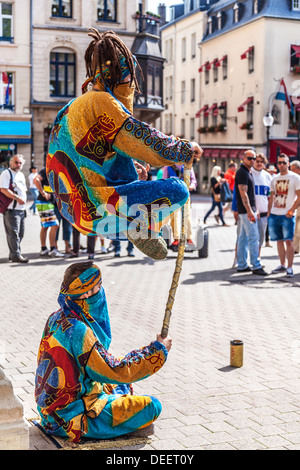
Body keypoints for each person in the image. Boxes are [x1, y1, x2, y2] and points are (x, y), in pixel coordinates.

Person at [46, 29, 202, 261]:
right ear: (122, 76)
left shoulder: (69, 108)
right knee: (178, 190)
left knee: (138, 182)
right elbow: (142, 139)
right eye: (132, 79)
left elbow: (87, 157)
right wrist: (184, 149)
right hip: (99, 208)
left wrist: (127, 169)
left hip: (73, 212)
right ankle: (140, 226)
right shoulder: (103, 102)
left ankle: (140, 227)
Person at [35, 260, 172, 443]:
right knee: (152, 406)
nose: (101, 293)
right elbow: (115, 370)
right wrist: (157, 350)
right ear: (87, 293)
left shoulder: (55, 317)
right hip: (69, 419)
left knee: (118, 387)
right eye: (98, 287)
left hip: (48, 412)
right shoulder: (80, 331)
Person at [235, 150, 267, 275]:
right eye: (250, 158)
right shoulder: (243, 172)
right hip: (246, 211)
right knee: (254, 237)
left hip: (246, 211)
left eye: (254, 158)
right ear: (244, 158)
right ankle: (256, 265)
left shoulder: (246, 172)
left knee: (242, 238)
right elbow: (243, 193)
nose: (252, 160)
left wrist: (254, 209)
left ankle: (242, 264)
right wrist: (250, 211)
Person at [268, 154, 300, 277]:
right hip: (275, 214)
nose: (281, 164)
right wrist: (269, 212)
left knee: (289, 241)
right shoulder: (274, 179)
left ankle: (290, 267)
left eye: (284, 162)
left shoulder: (295, 178)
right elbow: (271, 197)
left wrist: (291, 210)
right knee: (279, 241)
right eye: (279, 162)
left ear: (288, 163)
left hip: (287, 215)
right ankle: (282, 264)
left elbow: (299, 197)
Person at [0, 154, 29, 263]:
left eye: (20, 163)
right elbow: (3, 189)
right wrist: (17, 198)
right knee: (13, 233)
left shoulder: (21, 174)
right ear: (11, 162)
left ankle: (13, 253)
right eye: (16, 162)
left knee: (20, 233)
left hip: (21, 209)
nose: (18, 165)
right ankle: (16, 255)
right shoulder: (6, 173)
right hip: (11, 209)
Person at [34, 167, 64, 258]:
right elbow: (36, 180)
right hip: (44, 202)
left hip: (46, 203)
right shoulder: (46, 169)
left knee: (45, 226)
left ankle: (44, 249)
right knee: (55, 225)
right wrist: (43, 192)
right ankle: (52, 249)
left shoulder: (55, 171)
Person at [252, 153, 272, 257]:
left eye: (261, 162)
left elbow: (270, 195)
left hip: (264, 213)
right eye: (257, 161)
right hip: (250, 212)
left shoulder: (267, 176)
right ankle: (240, 260)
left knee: (260, 239)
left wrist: (269, 211)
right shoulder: (249, 173)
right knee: (246, 238)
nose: (259, 163)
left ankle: (257, 259)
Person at [290, 160, 300, 254]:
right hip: (295, 205)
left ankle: (296, 248)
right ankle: (295, 248)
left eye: (293, 169)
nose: (291, 171)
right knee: (296, 228)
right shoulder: (293, 178)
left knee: (297, 228)